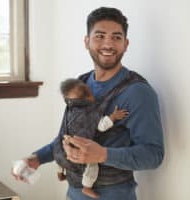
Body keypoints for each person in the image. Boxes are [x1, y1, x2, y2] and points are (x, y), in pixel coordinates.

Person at [12, 7, 164, 200]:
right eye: (100, 36)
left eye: (116, 37)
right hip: (73, 193)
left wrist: (103, 155)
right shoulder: (80, 84)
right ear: (87, 42)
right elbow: (66, 137)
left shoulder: (137, 92)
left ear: (125, 44)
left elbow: (153, 155)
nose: (108, 44)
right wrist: (36, 159)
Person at [56, 78, 128, 199]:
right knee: (92, 164)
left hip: (67, 142)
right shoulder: (90, 112)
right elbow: (101, 126)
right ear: (89, 95)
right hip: (82, 147)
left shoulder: (70, 109)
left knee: (61, 153)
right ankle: (87, 187)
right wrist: (113, 117)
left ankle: (60, 173)